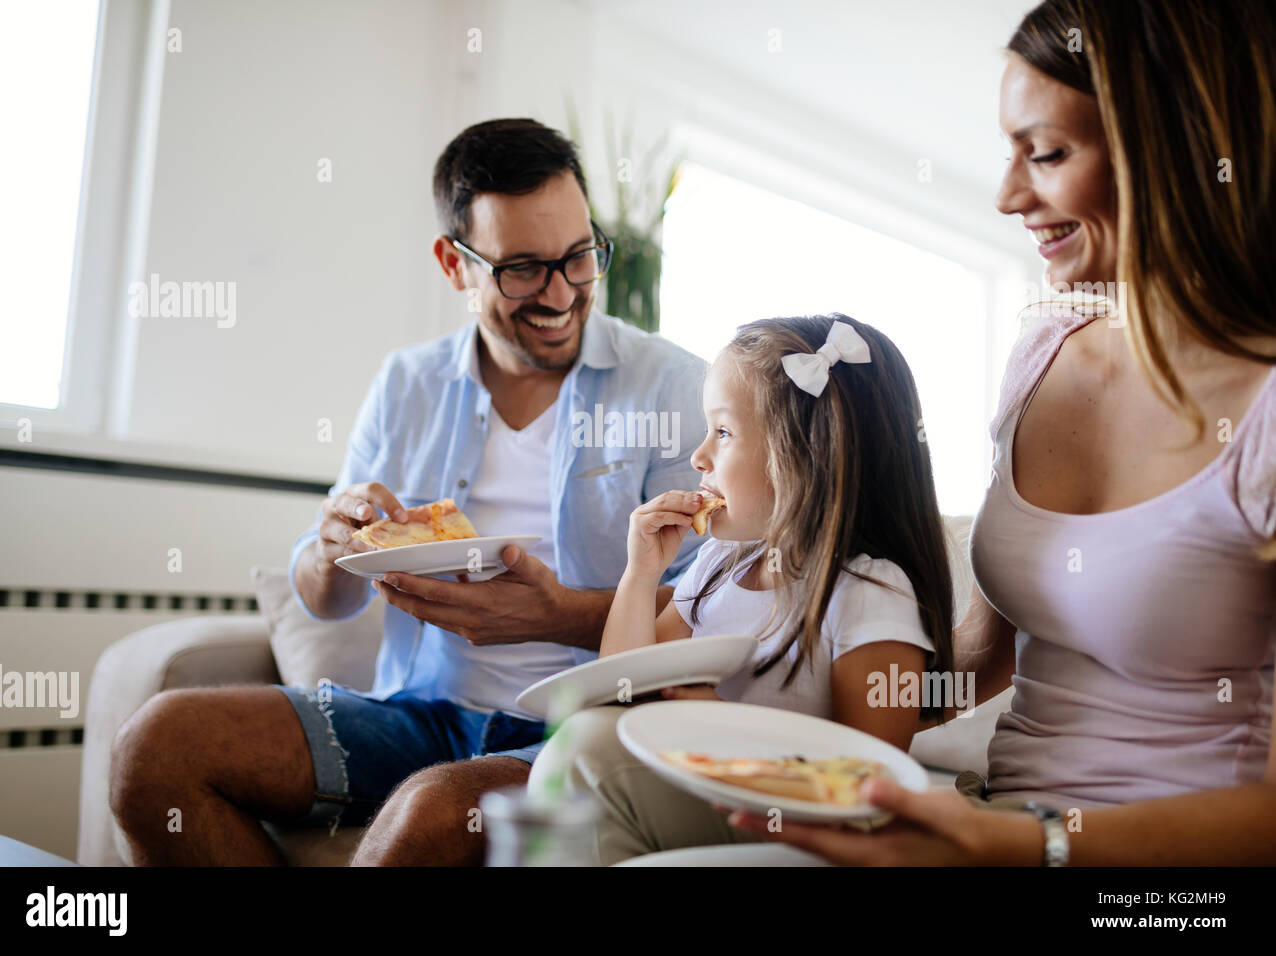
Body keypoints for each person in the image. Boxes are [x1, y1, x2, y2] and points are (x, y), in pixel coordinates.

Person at [733, 0, 1276, 865]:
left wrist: (1036, 848)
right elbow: (985, 653)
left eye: (1048, 153)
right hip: (999, 823)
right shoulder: (1043, 350)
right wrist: (769, 715)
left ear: (1170, 148)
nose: (1007, 195)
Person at [109, 118, 707, 866]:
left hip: (579, 731)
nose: (561, 293)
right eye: (522, 267)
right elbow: (326, 596)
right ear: (455, 265)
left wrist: (557, 615)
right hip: (419, 715)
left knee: (428, 813)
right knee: (156, 750)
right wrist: (331, 551)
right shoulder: (408, 384)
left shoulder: (675, 387)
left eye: (579, 257)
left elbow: (705, 614)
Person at [553, 314, 956, 864]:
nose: (698, 456)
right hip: (710, 799)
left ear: (805, 454)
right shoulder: (721, 564)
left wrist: (721, 729)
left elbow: (871, 788)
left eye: (722, 432)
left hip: (797, 829)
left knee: (582, 753)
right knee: (583, 744)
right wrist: (639, 575)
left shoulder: (869, 592)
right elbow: (617, 693)